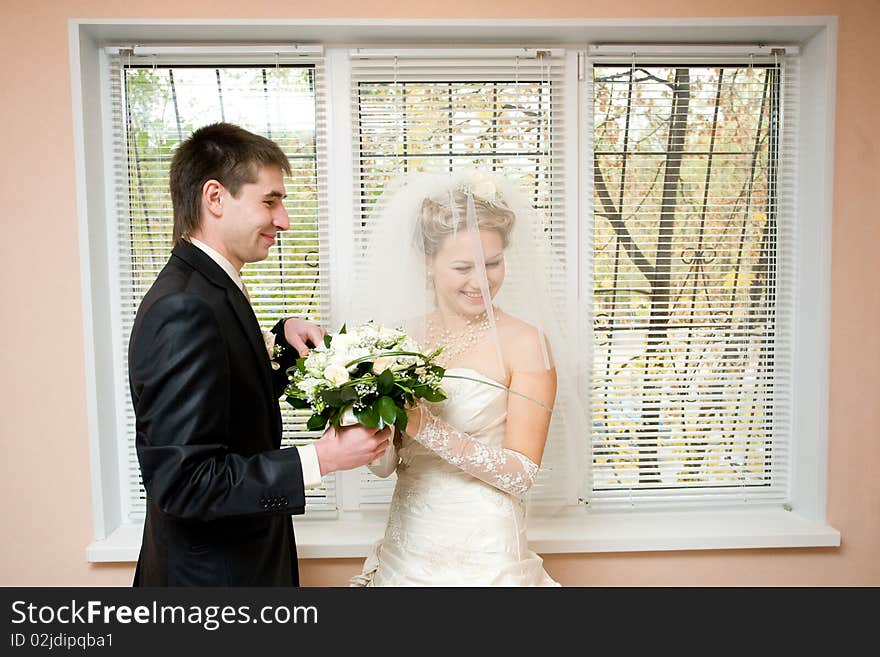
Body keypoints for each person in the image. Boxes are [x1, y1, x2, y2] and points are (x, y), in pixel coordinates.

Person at [129, 123, 390, 586]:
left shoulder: (210, 287)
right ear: (215, 197)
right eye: (270, 202)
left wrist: (281, 339)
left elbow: (226, 400)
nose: (284, 220)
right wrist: (321, 458)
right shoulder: (184, 306)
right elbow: (185, 483)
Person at [348, 171, 585, 586]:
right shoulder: (398, 339)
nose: (481, 281)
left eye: (492, 263)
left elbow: (521, 474)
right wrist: (362, 417)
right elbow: (386, 466)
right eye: (463, 266)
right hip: (410, 542)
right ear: (428, 262)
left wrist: (424, 425)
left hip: (487, 552)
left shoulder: (527, 343)